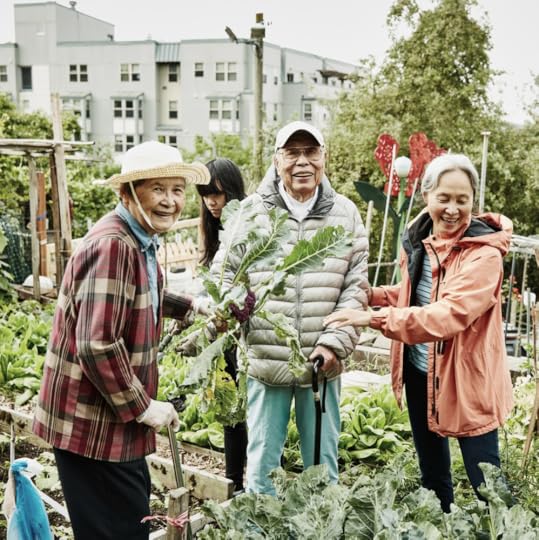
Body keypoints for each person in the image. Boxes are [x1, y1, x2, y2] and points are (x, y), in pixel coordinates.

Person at [32, 141, 210, 540]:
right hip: (91, 424)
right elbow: (97, 344)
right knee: (117, 529)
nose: (170, 201)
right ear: (128, 193)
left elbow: (139, 292)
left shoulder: (139, 238)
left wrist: (192, 305)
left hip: (109, 420)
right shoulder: (114, 245)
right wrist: (144, 406)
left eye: (177, 190)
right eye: (158, 189)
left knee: (126, 519)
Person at [325, 153, 514, 512]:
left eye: (463, 200)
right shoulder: (421, 241)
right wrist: (370, 294)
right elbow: (415, 295)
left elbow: (449, 314)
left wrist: (375, 317)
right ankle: (440, 526)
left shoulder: (484, 256)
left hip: (467, 379)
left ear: (474, 202)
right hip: (419, 372)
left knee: (488, 487)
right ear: (427, 196)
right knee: (433, 476)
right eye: (444, 198)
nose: (453, 209)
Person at [211, 121, 369, 494]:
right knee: (262, 468)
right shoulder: (250, 213)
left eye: (311, 152)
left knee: (322, 471)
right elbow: (224, 275)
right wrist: (225, 309)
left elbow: (356, 287)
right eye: (292, 153)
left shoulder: (346, 214)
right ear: (276, 159)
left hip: (321, 366)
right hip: (267, 362)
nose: (302, 162)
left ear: (324, 158)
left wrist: (334, 343)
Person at [196, 158, 248, 492]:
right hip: (224, 334)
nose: (212, 202)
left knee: (250, 411)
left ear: (233, 191)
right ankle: (233, 484)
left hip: (250, 334)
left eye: (217, 194)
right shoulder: (212, 230)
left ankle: (250, 481)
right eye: (205, 195)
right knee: (232, 411)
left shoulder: (249, 225)